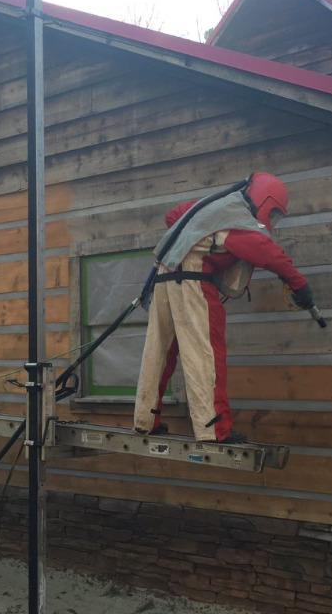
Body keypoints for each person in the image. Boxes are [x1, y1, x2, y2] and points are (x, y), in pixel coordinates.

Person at [133, 172, 314, 444]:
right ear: (265, 200)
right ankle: (213, 430)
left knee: (158, 352)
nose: (271, 219)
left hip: (164, 276)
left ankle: (145, 422)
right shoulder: (239, 221)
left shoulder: (212, 206)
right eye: (274, 212)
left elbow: (173, 216)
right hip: (193, 281)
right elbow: (268, 253)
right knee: (206, 355)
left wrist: (196, 237)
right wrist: (300, 286)